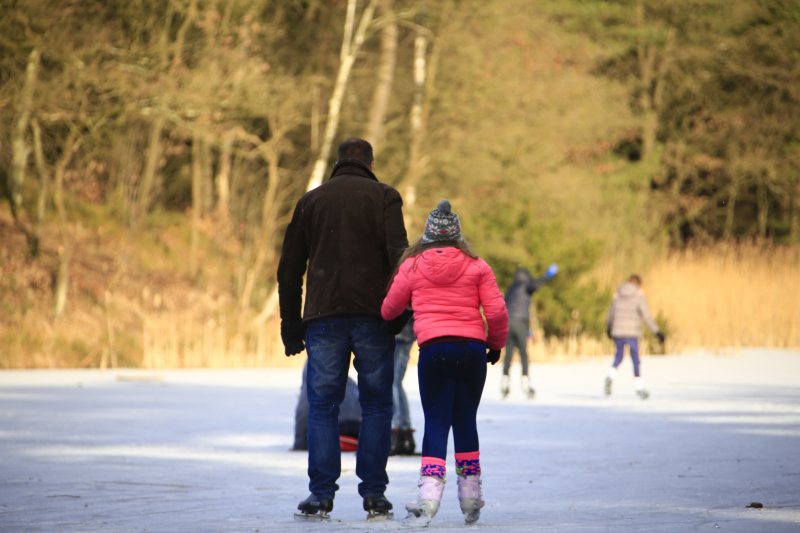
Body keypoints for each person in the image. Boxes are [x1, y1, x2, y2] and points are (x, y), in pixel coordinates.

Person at [277, 138, 409, 521]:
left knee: (323, 407)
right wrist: (398, 314)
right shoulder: (385, 197)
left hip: (323, 317)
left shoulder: (311, 201)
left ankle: (320, 494)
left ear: (337, 163)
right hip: (374, 316)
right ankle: (374, 495)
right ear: (370, 163)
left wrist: (290, 324)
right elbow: (400, 258)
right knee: (378, 405)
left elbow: (289, 268)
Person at [381, 200, 508, 525]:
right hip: (472, 351)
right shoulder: (478, 266)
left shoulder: (412, 265)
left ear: (427, 235)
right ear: (456, 235)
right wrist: (495, 343)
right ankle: (470, 497)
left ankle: (428, 499)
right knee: (466, 420)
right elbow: (495, 311)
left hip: (434, 350)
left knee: (437, 422)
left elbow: (389, 309)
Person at [500, 265, 558, 398]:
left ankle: (504, 382)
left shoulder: (511, 289)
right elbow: (536, 285)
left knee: (508, 354)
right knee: (523, 354)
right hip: (521, 323)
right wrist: (547, 275)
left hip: (508, 323)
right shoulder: (526, 286)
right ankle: (526, 383)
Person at [605, 274, 665, 400]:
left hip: (618, 331)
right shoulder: (639, 296)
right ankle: (639, 387)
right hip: (632, 333)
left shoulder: (617, 295)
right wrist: (657, 332)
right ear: (639, 285)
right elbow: (647, 316)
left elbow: (611, 314)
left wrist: (609, 329)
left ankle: (610, 376)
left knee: (619, 356)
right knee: (635, 360)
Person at [292, 361, 361, 452]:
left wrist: (300, 444)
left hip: (337, 426)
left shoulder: (312, 380)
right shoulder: (349, 381)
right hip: (360, 426)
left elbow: (303, 413)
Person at [390, 316, 417, 456]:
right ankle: (403, 425)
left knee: (393, 382)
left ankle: (397, 425)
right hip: (405, 332)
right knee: (396, 383)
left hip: (399, 331)